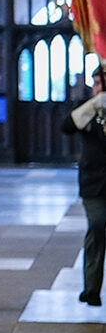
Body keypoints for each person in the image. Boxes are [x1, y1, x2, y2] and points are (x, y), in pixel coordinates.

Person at [62, 65, 106, 307]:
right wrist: (96, 103)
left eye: (103, 84)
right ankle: (91, 288)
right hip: (93, 183)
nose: (99, 89)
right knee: (97, 225)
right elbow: (67, 126)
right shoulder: (85, 108)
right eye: (96, 84)